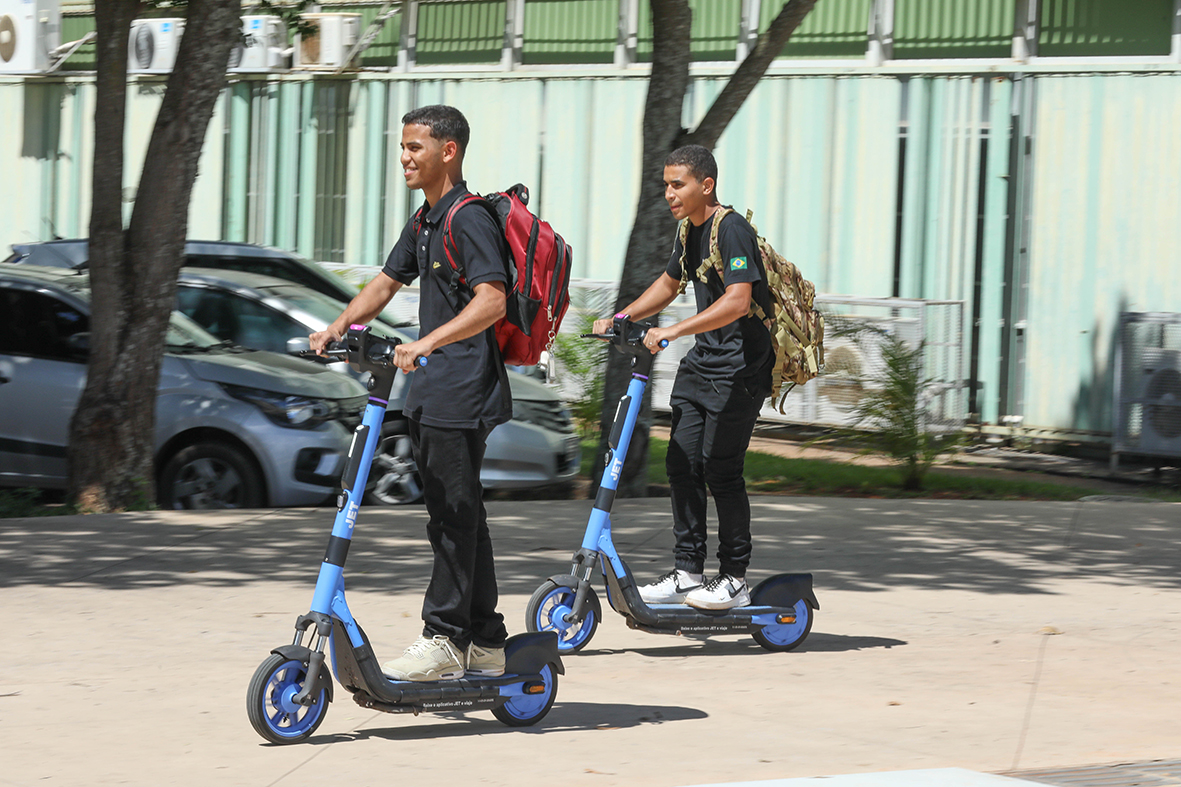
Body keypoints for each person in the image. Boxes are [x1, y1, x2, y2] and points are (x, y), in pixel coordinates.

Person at [310, 105, 512, 681]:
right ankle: (486, 640)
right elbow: (385, 281)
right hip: (433, 388)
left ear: (448, 151)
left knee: (453, 516)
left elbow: (491, 300)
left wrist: (427, 342)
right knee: (459, 513)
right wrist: (336, 327)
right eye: (402, 146)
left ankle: (446, 637)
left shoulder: (466, 220)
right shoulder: (426, 220)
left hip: (461, 387)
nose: (404, 156)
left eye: (415, 147)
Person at [593, 144, 773, 611]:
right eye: (666, 184)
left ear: (705, 185)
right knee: (681, 462)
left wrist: (671, 330)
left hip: (742, 367)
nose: (669, 193)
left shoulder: (731, 229)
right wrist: (622, 317)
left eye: (679, 184)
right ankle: (688, 571)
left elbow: (737, 299)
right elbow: (670, 283)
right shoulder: (688, 231)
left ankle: (734, 578)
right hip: (705, 362)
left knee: (721, 468)